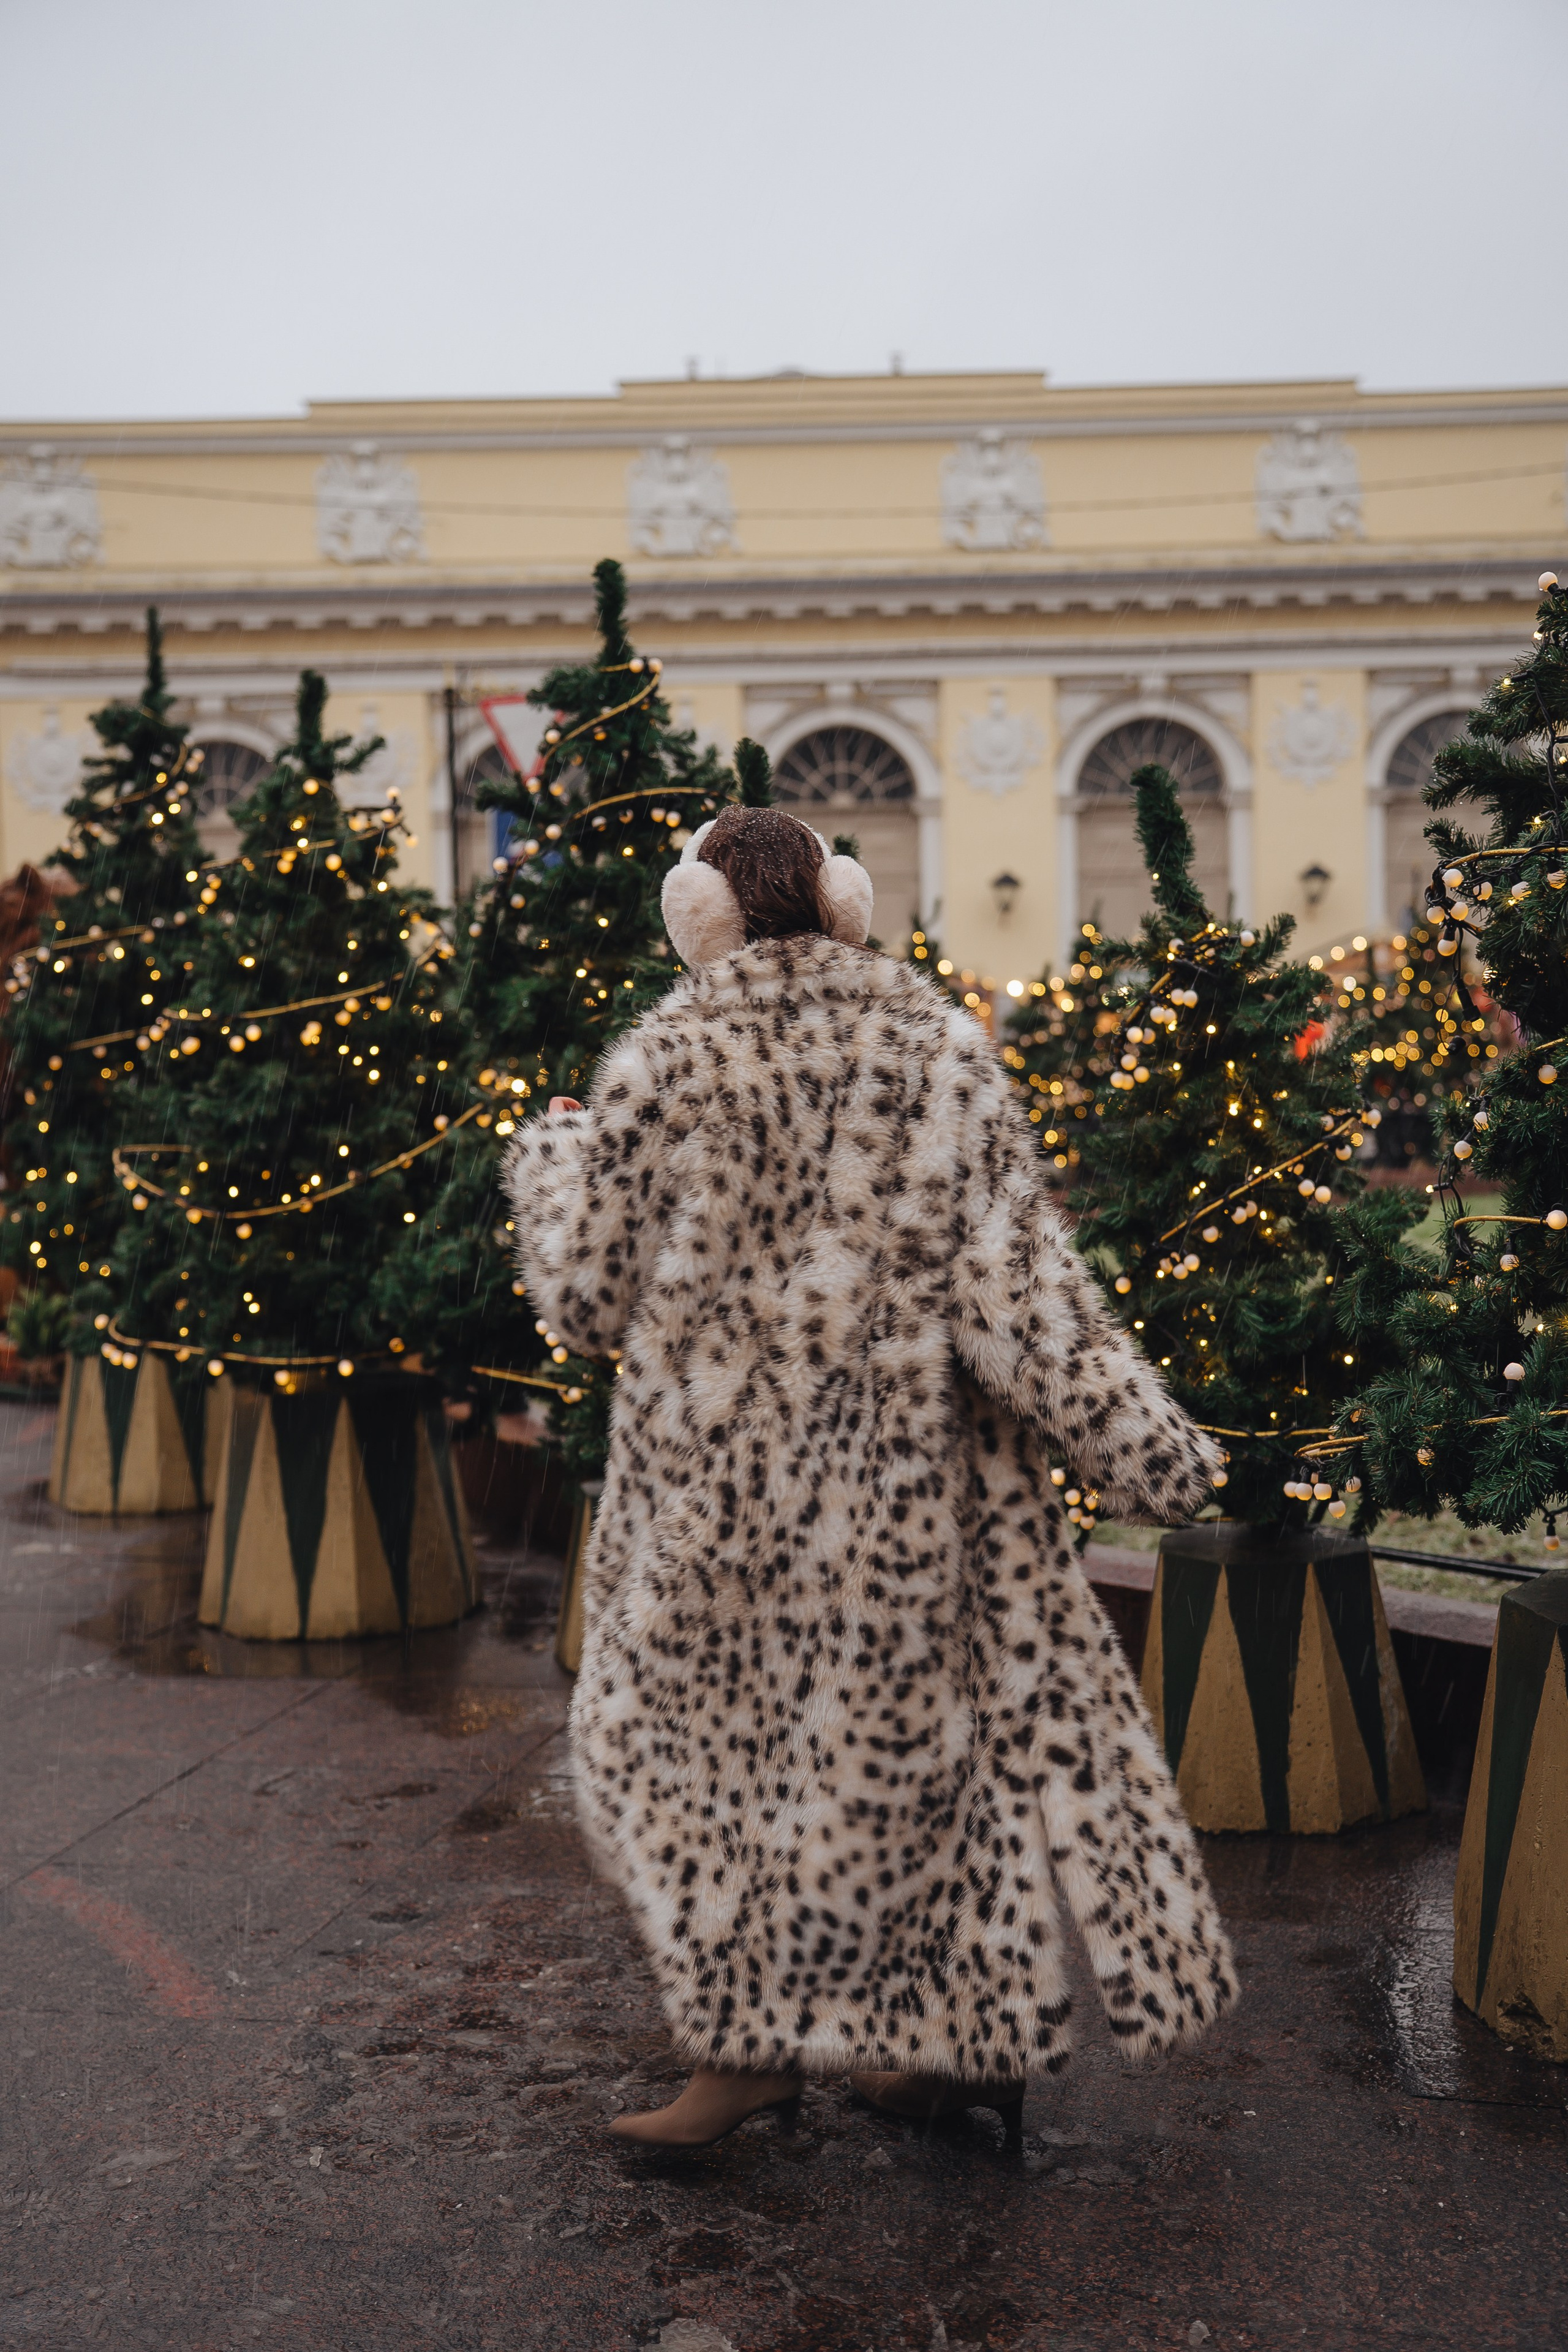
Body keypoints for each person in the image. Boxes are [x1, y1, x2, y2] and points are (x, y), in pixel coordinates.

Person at [508, 795, 1235, 2150]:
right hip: (907, 1506)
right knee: (912, 1767)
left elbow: (587, 1302)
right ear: (842, 904)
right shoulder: (933, 1047)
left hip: (722, 1509)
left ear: (700, 916)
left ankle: (747, 2055)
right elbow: (1025, 1294)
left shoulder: (667, 1059)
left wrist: (553, 1159)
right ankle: (956, 2049)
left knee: (704, 1770)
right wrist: (1153, 1449)